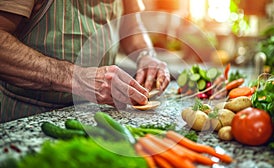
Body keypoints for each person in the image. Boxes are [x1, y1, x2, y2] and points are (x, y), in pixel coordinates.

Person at [0, 0, 170, 123]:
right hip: (26, 116)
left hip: (96, 114)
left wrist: (146, 54)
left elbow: (132, 24)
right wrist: (75, 78)